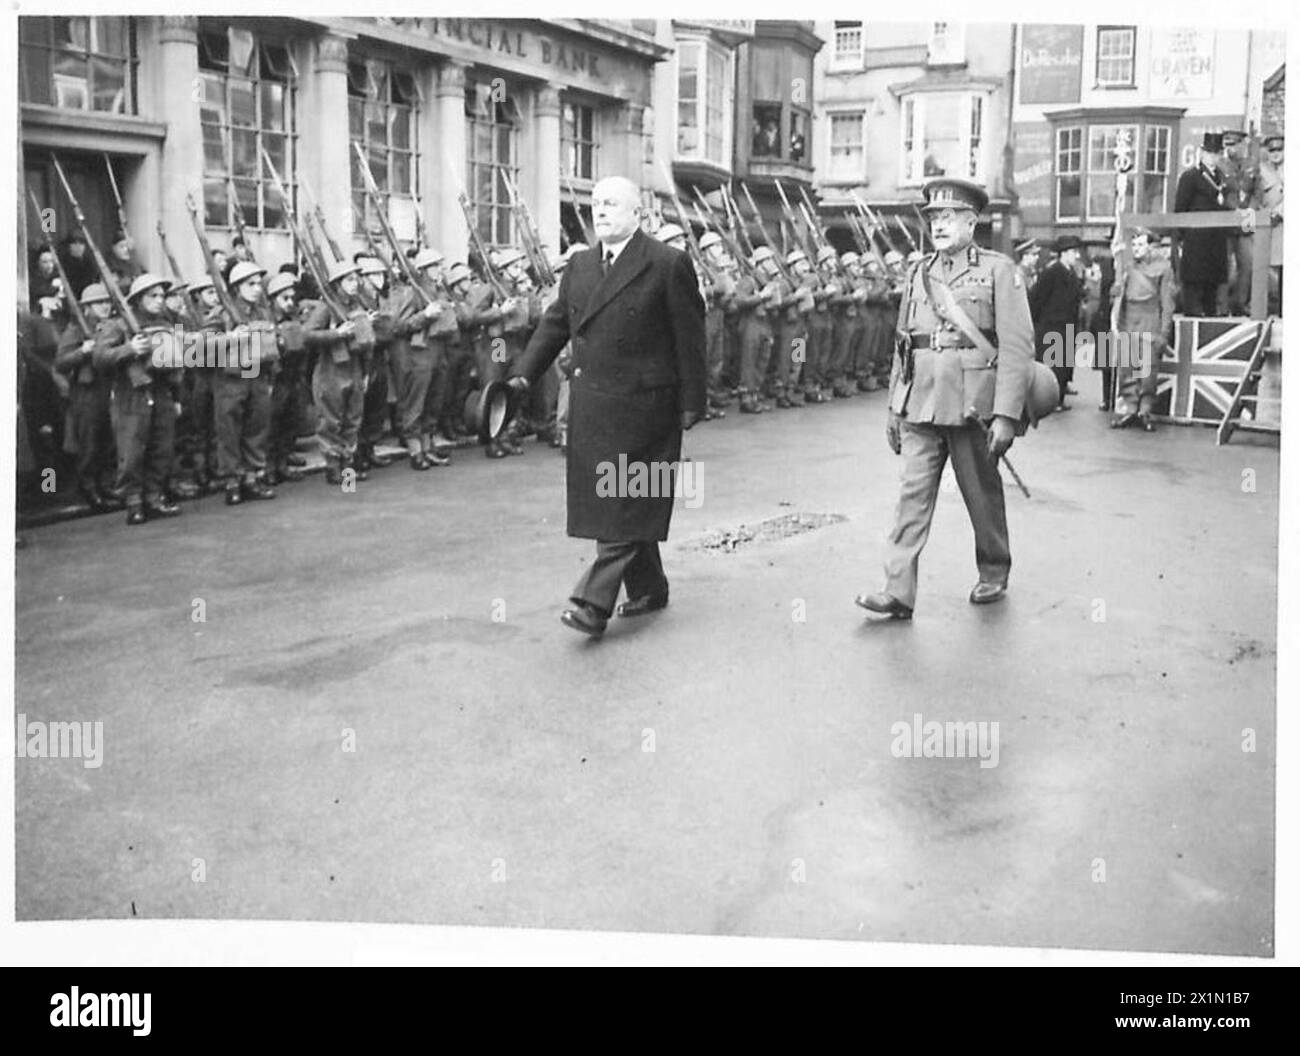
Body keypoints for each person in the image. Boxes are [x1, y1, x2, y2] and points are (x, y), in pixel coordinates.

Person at [509, 176, 706, 639]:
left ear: (637, 214)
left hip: (647, 407)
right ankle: (650, 586)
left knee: (623, 501)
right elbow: (556, 324)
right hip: (593, 405)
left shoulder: (666, 262)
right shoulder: (579, 265)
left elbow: (690, 337)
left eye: (612, 203)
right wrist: (522, 374)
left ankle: (592, 603)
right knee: (617, 501)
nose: (601, 210)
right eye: (596, 203)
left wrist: (692, 401)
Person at [855, 177, 1033, 619]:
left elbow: (1016, 347)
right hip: (921, 402)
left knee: (981, 493)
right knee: (911, 496)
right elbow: (904, 343)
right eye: (934, 217)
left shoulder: (999, 270)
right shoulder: (918, 272)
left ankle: (994, 567)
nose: (939, 224)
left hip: (973, 404)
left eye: (949, 216)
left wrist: (1007, 415)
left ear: (972, 222)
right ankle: (897, 590)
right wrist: (895, 408)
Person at [93, 273, 182, 525]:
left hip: (162, 391)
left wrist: (176, 396)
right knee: (132, 451)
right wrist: (130, 349)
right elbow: (100, 358)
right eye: (153, 296)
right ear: (139, 299)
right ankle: (133, 502)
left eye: (162, 295)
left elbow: (176, 363)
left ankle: (154, 498)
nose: (160, 300)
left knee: (162, 448)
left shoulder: (167, 323)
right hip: (131, 395)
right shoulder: (117, 325)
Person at [54, 283, 123, 512]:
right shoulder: (75, 330)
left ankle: (102, 484)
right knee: (89, 442)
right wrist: (82, 351)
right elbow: (60, 363)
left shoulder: (111, 327)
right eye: (98, 303)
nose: (104, 306)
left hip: (108, 387)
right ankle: (88, 487)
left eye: (106, 302)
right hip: (87, 392)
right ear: (87, 307)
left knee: (106, 441)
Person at [215, 261, 278, 505]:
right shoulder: (223, 313)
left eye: (258, 284)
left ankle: (252, 478)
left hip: (258, 375)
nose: (257, 289)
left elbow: (271, 347)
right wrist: (229, 338)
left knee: (257, 429)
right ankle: (232, 482)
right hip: (231, 379)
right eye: (250, 284)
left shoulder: (263, 313)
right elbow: (198, 348)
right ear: (236, 287)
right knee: (229, 432)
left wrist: (271, 376)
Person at [1110, 227, 1175, 432]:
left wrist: (1164, 332)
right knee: (1126, 368)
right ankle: (1130, 407)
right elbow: (1118, 295)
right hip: (1129, 318)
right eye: (1134, 244)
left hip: (1149, 318)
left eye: (1140, 244)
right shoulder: (1127, 267)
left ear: (1150, 247)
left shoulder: (1164, 268)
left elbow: (1167, 303)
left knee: (1148, 369)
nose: (1136, 249)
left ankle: (1144, 409)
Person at [1173, 132, 1233, 316]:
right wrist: (1182, 237)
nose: (1213, 157)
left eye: (1216, 153)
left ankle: (1210, 313)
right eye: (1209, 153)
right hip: (1196, 240)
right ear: (1201, 153)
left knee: (1212, 284)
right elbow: (1180, 209)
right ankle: (1192, 315)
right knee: (1194, 284)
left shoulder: (1223, 178)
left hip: (1216, 239)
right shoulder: (1190, 177)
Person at [1028, 234, 1083, 409]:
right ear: (1064, 253)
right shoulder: (1052, 272)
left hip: (1067, 327)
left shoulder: (1071, 273)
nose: (1077, 256)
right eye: (1074, 252)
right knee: (1052, 366)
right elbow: (1036, 299)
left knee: (1063, 366)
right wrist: (1039, 325)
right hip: (1051, 327)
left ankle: (1058, 399)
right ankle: (1047, 401)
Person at [1220, 130, 1260, 316]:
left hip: (1247, 219)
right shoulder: (1220, 165)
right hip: (1227, 220)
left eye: (1234, 144)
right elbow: (1220, 193)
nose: (1231, 148)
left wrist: (1250, 209)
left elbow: (1257, 191)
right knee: (1225, 265)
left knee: (1247, 264)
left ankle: (1241, 304)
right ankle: (1223, 305)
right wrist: (1233, 209)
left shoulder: (1251, 164)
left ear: (1241, 144)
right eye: (1228, 145)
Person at [1259, 134, 1284, 315]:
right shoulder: (1261, 170)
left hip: (1283, 224)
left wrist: (1279, 212)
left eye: (1279, 149)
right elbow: (1254, 198)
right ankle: (1265, 307)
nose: (1275, 153)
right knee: (1261, 266)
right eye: (1272, 150)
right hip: (1264, 226)